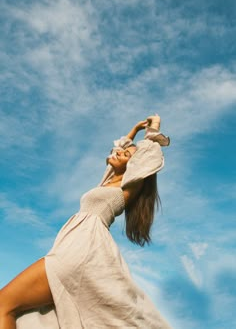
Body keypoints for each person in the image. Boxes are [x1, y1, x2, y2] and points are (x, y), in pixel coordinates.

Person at [0, 115, 171, 329]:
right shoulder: (107, 182)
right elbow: (118, 149)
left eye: (126, 155)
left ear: (133, 167)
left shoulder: (126, 189)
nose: (118, 152)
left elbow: (146, 158)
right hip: (73, 246)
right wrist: (134, 130)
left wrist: (154, 127)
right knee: (26, 313)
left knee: (4, 304)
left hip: (81, 249)